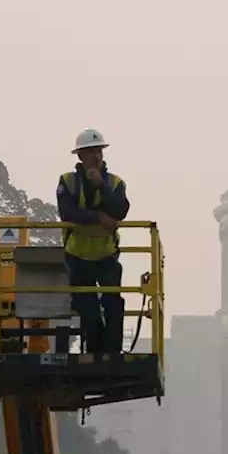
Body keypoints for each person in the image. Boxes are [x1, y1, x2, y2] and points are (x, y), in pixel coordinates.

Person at [57, 129, 131, 354]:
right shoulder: (67, 182)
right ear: (80, 156)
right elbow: (67, 213)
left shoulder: (115, 183)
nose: (96, 156)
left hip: (106, 254)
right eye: (90, 152)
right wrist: (98, 217)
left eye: (98, 150)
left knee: (113, 304)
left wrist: (101, 185)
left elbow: (121, 210)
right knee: (87, 308)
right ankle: (95, 352)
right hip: (77, 256)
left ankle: (112, 354)